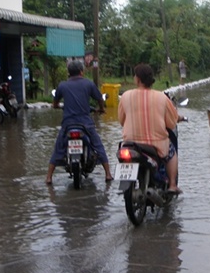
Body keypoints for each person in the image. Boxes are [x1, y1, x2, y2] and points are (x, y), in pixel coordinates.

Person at [118, 63, 182, 194]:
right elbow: (171, 123)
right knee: (172, 153)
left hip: (130, 143)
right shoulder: (162, 97)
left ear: (137, 79)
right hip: (156, 144)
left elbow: (121, 120)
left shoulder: (125, 96)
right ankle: (172, 185)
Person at [45, 61, 113, 184]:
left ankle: (49, 177)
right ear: (82, 72)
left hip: (68, 124)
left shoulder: (62, 85)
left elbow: (54, 104)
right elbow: (99, 99)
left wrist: (58, 106)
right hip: (86, 124)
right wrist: (101, 109)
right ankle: (108, 174)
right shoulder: (88, 83)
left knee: (58, 148)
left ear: (68, 73)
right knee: (98, 145)